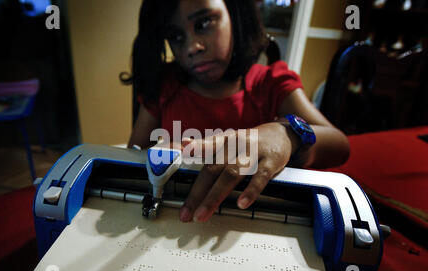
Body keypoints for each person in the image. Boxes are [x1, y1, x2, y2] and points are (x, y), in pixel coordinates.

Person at [122, 0, 350, 224]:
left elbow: (340, 145)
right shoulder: (164, 85)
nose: (192, 47)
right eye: (176, 36)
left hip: (250, 216)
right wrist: (156, 154)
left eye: (203, 24)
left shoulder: (269, 83)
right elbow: (130, 159)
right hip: (172, 215)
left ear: (236, 14)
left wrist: (288, 134)